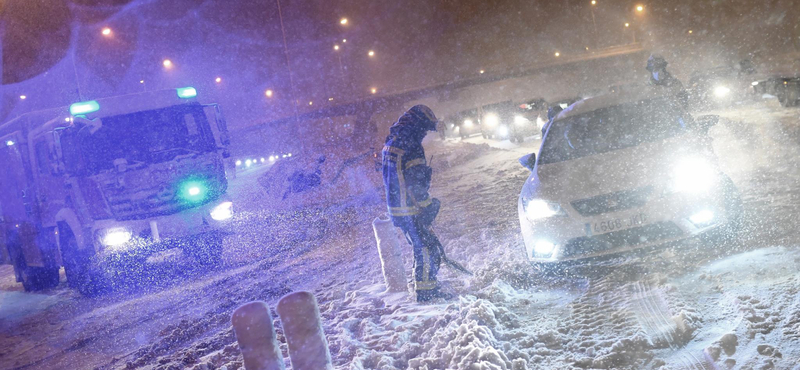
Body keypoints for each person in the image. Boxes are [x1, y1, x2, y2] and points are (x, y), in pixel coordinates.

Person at [381, 105, 453, 302]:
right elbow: (415, 184)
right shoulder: (412, 146)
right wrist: (428, 205)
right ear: (418, 126)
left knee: (421, 247)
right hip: (411, 208)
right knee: (427, 249)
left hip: (397, 209)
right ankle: (426, 292)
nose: (424, 134)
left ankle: (424, 287)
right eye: (424, 129)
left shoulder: (392, 141)